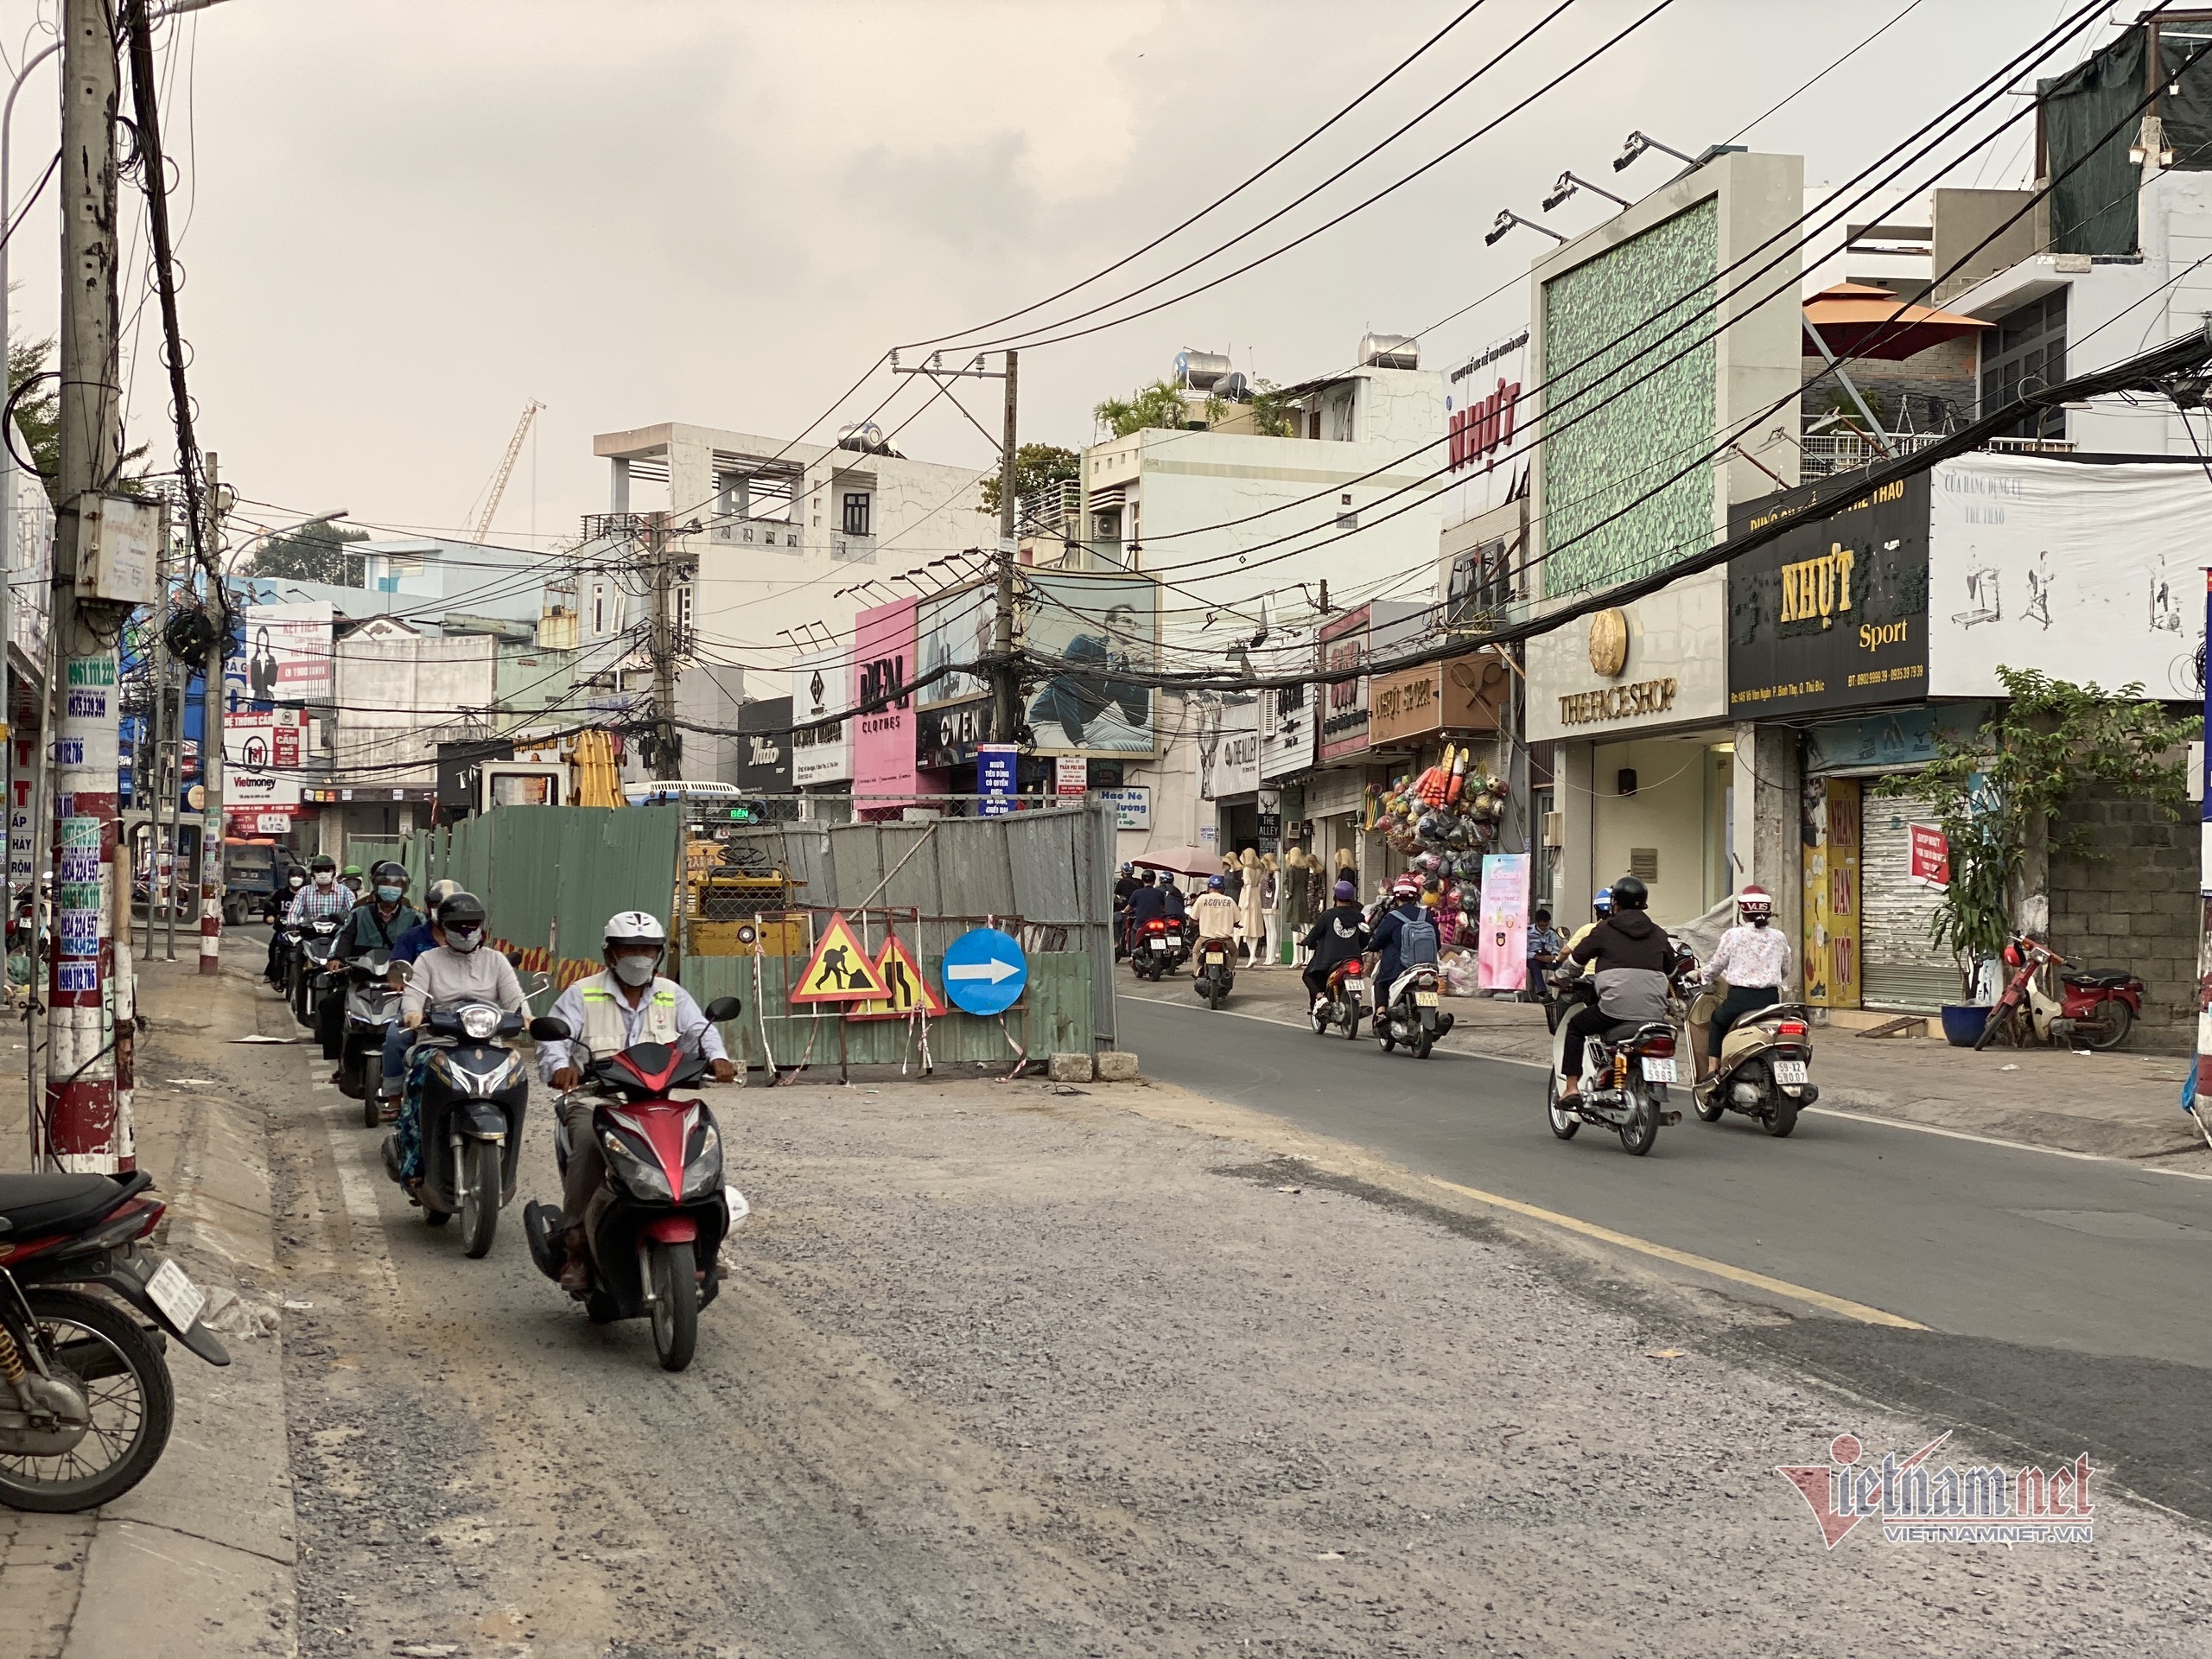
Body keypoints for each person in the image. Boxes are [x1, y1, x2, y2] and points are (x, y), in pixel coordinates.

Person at [537, 911, 737, 1291]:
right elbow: (554, 1039)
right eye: (630, 949)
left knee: (700, 1138)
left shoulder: (671, 993)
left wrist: (718, 1057)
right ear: (610, 954)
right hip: (595, 1099)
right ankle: (577, 1244)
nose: (639, 956)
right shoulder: (582, 992)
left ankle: (709, 1238)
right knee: (587, 1143)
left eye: (647, 949)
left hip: (656, 1097)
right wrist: (562, 1067)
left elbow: (700, 1031)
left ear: (659, 954)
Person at [381, 891, 528, 1189]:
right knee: (418, 1086)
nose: (466, 931)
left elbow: (516, 1000)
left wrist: (529, 1019)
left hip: (488, 1043)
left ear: (482, 927)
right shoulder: (427, 960)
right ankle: (415, 1162)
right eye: (458, 924)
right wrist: (413, 1014)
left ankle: (507, 1163)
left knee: (516, 1076)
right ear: (443, 926)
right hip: (438, 1043)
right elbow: (413, 995)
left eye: (472, 924)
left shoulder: (496, 961)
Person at [1558, 875, 1681, 1103]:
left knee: (1575, 1027)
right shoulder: (1658, 933)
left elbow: (1575, 962)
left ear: (1616, 903)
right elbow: (1673, 973)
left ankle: (1572, 1088)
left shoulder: (1604, 929)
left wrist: (1560, 976)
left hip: (1613, 1009)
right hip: (1654, 1013)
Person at [374, 879, 461, 1112]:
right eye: (437, 905)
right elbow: (397, 968)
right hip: (419, 1005)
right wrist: (398, 982)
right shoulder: (412, 938)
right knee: (395, 1037)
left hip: (461, 1009)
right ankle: (394, 1098)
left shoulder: (470, 939)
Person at [1699, 885, 1790, 1078]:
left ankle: (1712, 1071)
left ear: (1742, 911)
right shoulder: (1778, 937)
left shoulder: (1733, 935)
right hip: (1771, 1000)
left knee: (1717, 1020)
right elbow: (1785, 969)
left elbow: (1717, 965)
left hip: (1740, 1000)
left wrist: (1703, 977)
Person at [1367, 876, 1440, 1026]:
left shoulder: (1392, 917)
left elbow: (1378, 940)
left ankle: (1381, 1012)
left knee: (1380, 983)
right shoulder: (1426, 916)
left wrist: (1370, 946)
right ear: (1415, 897)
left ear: (1396, 898)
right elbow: (1437, 944)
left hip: (1398, 968)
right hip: (1427, 966)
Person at [1301, 879, 1370, 1010]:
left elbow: (1314, 935)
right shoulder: (1359, 916)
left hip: (1328, 961)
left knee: (1307, 975)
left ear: (1335, 897)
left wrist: (1306, 942)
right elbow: (1364, 940)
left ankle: (1321, 998)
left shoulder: (1327, 916)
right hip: (1353, 959)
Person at [265, 865, 309, 979]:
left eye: (299, 876)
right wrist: (270, 916)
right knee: (274, 947)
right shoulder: (280, 894)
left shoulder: (309, 895)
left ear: (304, 878)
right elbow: (270, 906)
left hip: (304, 931)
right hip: (284, 930)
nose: (296, 879)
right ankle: (272, 974)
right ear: (289, 878)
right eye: (293, 876)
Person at [285, 854, 353, 925]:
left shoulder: (345, 892)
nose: (323, 873)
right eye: (318, 870)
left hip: (337, 934)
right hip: (311, 934)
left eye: (327, 870)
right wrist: (292, 924)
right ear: (312, 874)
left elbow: (354, 912)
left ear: (334, 873)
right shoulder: (304, 892)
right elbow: (293, 913)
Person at [1525, 907, 1565, 1006]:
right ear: (1536, 922)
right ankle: (1543, 993)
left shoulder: (1551, 932)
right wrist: (1539, 957)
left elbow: (1555, 947)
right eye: (1541, 925)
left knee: (1561, 965)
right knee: (1534, 966)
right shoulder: (1528, 932)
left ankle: (1563, 992)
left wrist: (1555, 956)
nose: (1544, 928)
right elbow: (1524, 952)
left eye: (1546, 925)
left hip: (1548, 957)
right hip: (1534, 959)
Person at [1191, 875, 1240, 953]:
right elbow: (1237, 920)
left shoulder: (1202, 899)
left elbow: (1193, 918)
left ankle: (1198, 966)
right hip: (1225, 939)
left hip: (1205, 938)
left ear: (1208, 888)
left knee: (1195, 952)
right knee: (1234, 953)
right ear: (1223, 888)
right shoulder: (1229, 901)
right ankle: (1228, 966)